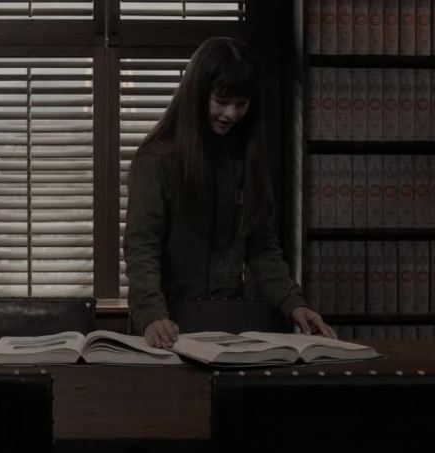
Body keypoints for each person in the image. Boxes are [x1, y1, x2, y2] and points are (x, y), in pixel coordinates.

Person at [123, 37, 335, 349]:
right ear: (197, 94)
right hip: (165, 323)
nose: (231, 114)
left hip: (226, 323)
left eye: (241, 104)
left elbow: (261, 247)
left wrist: (295, 304)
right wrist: (152, 314)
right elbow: (142, 246)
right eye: (221, 101)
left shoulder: (247, 159)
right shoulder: (156, 159)